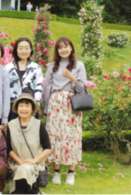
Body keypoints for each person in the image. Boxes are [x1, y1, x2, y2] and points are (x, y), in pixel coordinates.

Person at [43, 36, 87, 185]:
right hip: (55, 103)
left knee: (71, 137)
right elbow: (47, 87)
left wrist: (71, 76)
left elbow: (82, 88)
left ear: (71, 48)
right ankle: (56, 171)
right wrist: (47, 107)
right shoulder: (52, 66)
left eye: (66, 46)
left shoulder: (79, 65)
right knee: (55, 137)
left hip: (72, 104)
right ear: (57, 50)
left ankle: (71, 172)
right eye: (60, 47)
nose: (63, 49)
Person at [7, 93, 51, 195]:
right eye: (21, 106)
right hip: (17, 164)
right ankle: (32, 191)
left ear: (32, 109)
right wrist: (21, 162)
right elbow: (9, 149)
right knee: (23, 168)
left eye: (27, 106)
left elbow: (48, 148)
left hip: (35, 165)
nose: (24, 109)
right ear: (17, 108)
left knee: (26, 169)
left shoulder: (38, 124)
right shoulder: (11, 125)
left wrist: (34, 160)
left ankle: (25, 191)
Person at [5, 37, 43, 121]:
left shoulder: (36, 68)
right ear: (16, 50)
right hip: (13, 109)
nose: (24, 51)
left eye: (26, 48)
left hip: (30, 108)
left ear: (30, 50)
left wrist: (34, 109)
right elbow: (4, 91)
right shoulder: (8, 68)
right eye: (21, 48)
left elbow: (38, 89)